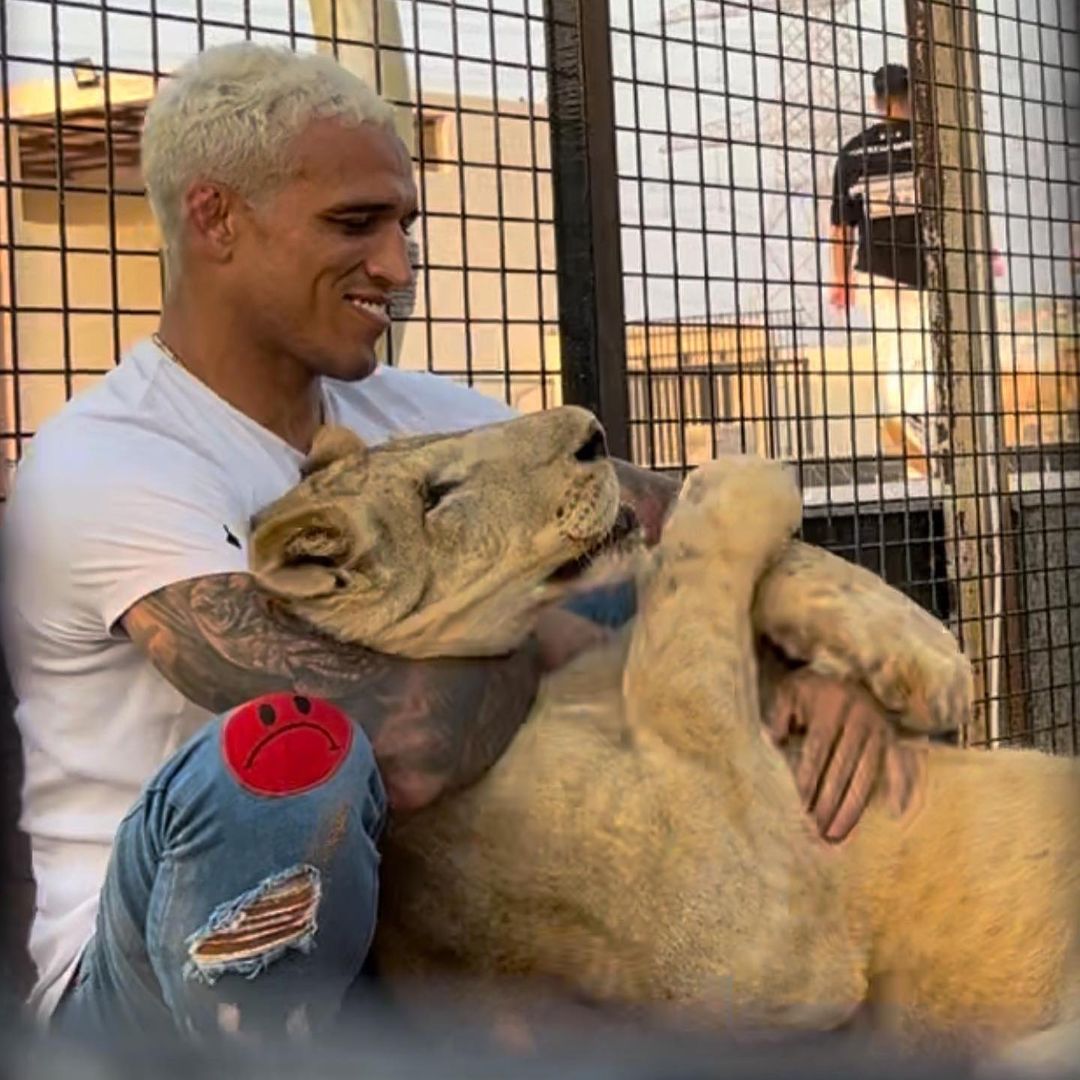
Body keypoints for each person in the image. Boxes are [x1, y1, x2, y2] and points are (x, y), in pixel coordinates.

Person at [2, 42, 920, 1044]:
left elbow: (685, 517)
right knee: (286, 762)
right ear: (216, 219)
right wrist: (554, 616)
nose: (397, 267)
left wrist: (815, 661)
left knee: (620, 592)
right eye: (355, 223)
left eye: (404, 224)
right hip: (132, 1014)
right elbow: (408, 748)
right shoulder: (108, 462)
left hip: (407, 958)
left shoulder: (416, 419)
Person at [828, 63, 935, 479]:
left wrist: (839, 279)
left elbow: (840, 223)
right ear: (913, 96)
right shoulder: (927, 145)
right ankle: (914, 421)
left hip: (874, 268)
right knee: (926, 353)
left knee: (891, 353)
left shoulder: (854, 152)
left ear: (877, 101)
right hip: (922, 266)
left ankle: (903, 428)